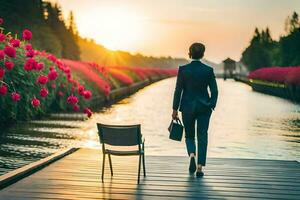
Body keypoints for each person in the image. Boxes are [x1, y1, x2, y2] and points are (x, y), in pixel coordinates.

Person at [172, 42, 218, 177]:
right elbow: (215, 91)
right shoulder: (208, 70)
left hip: (187, 107)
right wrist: (211, 104)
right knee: (202, 136)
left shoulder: (183, 69)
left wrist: (174, 109)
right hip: (204, 107)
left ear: (189, 53)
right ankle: (199, 167)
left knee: (189, 135)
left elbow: (178, 91)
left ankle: (192, 154)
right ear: (203, 54)